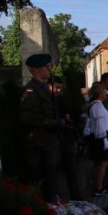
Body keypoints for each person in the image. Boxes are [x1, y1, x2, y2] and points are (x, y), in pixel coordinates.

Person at [20, 53, 65, 202]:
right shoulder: (31, 90)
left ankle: (52, 206)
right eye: (46, 67)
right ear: (36, 70)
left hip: (49, 142)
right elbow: (29, 117)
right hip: (40, 143)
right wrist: (54, 124)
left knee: (52, 179)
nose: (49, 69)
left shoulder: (44, 88)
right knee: (43, 181)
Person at [84, 82, 108, 196]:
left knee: (100, 162)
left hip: (100, 137)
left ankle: (96, 184)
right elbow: (100, 124)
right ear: (100, 93)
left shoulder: (97, 105)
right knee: (102, 163)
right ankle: (99, 187)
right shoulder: (98, 106)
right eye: (104, 92)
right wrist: (104, 139)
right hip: (100, 137)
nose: (106, 94)